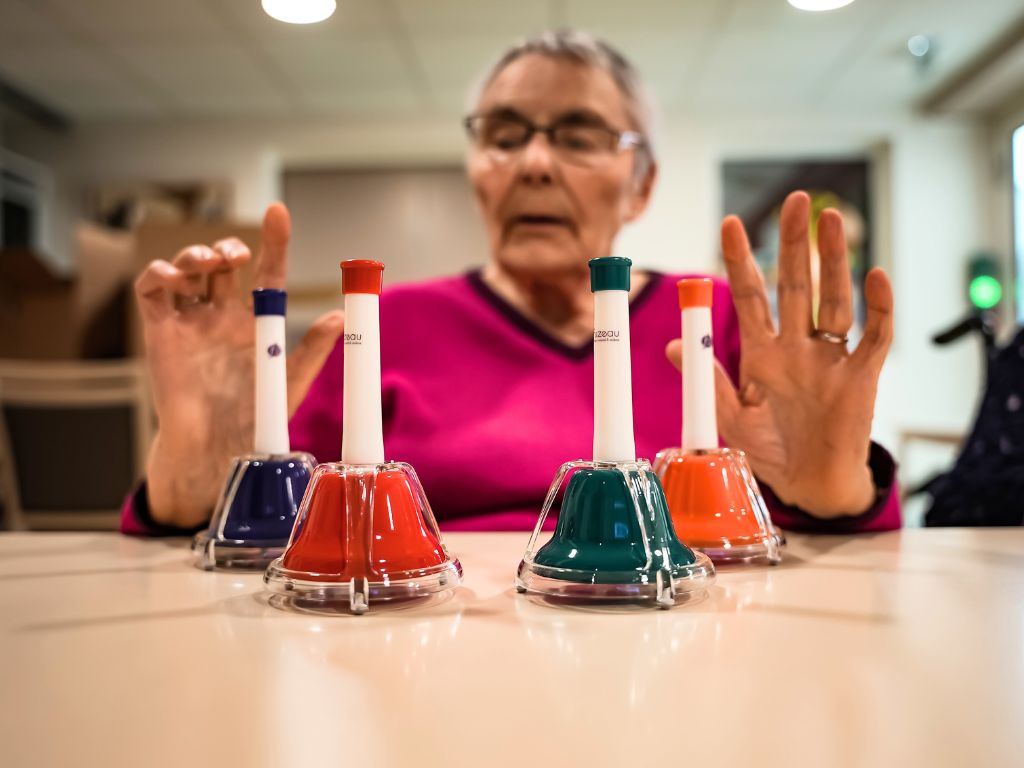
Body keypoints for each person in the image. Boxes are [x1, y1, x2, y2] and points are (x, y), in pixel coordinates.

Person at [122, 30, 899, 536]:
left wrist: (835, 496)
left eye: (578, 136)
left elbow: (850, 573)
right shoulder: (376, 330)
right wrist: (200, 488)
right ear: (476, 172)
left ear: (642, 184)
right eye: (504, 135)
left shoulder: (718, 326)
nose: (533, 162)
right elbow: (259, 554)